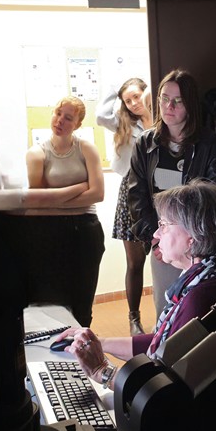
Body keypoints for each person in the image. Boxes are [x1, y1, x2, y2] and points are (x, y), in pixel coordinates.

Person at [55, 179, 216, 431]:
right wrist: (100, 342)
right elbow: (166, 344)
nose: (156, 234)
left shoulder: (204, 296)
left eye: (164, 225)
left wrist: (102, 371)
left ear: (193, 237)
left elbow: (162, 394)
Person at [128, 69, 216, 319]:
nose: (168, 106)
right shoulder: (145, 143)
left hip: (199, 245)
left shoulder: (208, 143)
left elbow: (213, 197)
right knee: (166, 311)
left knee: (199, 311)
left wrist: (196, 243)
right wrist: (155, 240)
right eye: (164, 98)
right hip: (163, 243)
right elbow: (137, 197)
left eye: (178, 101)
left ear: (190, 105)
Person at [15, 95, 105, 327]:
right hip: (49, 230)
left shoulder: (87, 148)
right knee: (51, 298)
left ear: (77, 124)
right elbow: (37, 200)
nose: (60, 121)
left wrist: (55, 200)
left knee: (83, 299)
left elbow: (98, 194)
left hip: (86, 228)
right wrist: (79, 188)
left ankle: (83, 343)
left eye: (68, 118)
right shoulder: (37, 153)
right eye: (58, 113)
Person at [96, 78, 153, 335]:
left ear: (147, 93)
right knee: (135, 261)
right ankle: (134, 318)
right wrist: (115, 84)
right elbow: (100, 116)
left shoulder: (164, 120)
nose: (133, 104)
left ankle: (170, 315)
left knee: (169, 259)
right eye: (127, 100)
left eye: (136, 97)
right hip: (131, 192)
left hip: (162, 191)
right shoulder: (124, 123)